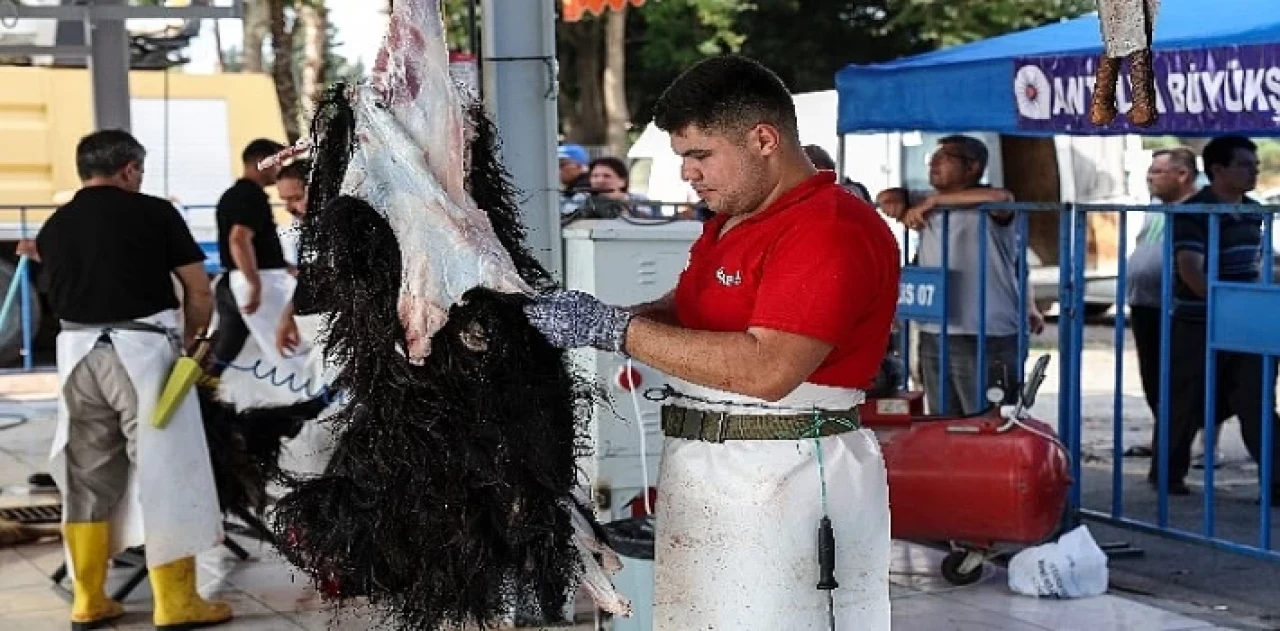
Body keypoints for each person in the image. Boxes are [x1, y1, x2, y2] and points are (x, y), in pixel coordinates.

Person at [525, 55, 899, 629]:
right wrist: (597, 319)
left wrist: (614, 329)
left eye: (700, 156)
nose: (688, 175)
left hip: (788, 475)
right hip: (709, 471)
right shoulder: (736, 218)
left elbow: (768, 369)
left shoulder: (828, 228)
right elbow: (691, 307)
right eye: (682, 158)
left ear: (763, 138)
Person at [26, 130, 231, 629]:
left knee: (86, 474)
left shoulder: (56, 224)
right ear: (129, 169)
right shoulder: (154, 212)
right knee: (166, 468)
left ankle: (89, 597)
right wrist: (192, 341)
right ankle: (176, 601)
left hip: (76, 356)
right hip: (140, 353)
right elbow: (199, 290)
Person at [884, 135, 1045, 415]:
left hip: (985, 331)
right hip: (935, 331)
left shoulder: (991, 204)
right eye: (933, 157)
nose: (934, 163)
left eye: (945, 158)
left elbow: (1002, 197)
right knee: (942, 422)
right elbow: (885, 198)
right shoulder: (926, 203)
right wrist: (899, 199)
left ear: (973, 167)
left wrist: (932, 201)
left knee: (988, 422)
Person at [1162, 135, 1280, 500]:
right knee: (1185, 401)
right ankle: (1168, 475)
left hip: (1246, 322)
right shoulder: (1195, 212)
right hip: (1199, 322)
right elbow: (1190, 270)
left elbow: (1262, 262)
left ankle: (1276, 483)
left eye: (1256, 166)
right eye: (1245, 165)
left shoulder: (1254, 210)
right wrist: (1223, 304)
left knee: (1256, 401)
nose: (1253, 172)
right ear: (1217, 170)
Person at [1124, 148, 1201, 459]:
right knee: (1153, 380)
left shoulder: (1197, 209)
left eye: (1158, 172)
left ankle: (1175, 448)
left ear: (1182, 175)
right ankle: (1164, 441)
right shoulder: (1156, 206)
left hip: (1175, 307)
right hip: (1145, 304)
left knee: (1177, 383)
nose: (1149, 177)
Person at [208, 139, 293, 382]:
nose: (280, 171)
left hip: (237, 279)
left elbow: (253, 244)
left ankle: (206, 391)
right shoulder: (249, 195)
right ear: (261, 162)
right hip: (256, 278)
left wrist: (288, 267)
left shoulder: (234, 194)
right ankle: (308, 399)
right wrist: (254, 283)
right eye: (278, 164)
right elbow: (239, 239)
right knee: (285, 344)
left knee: (228, 347)